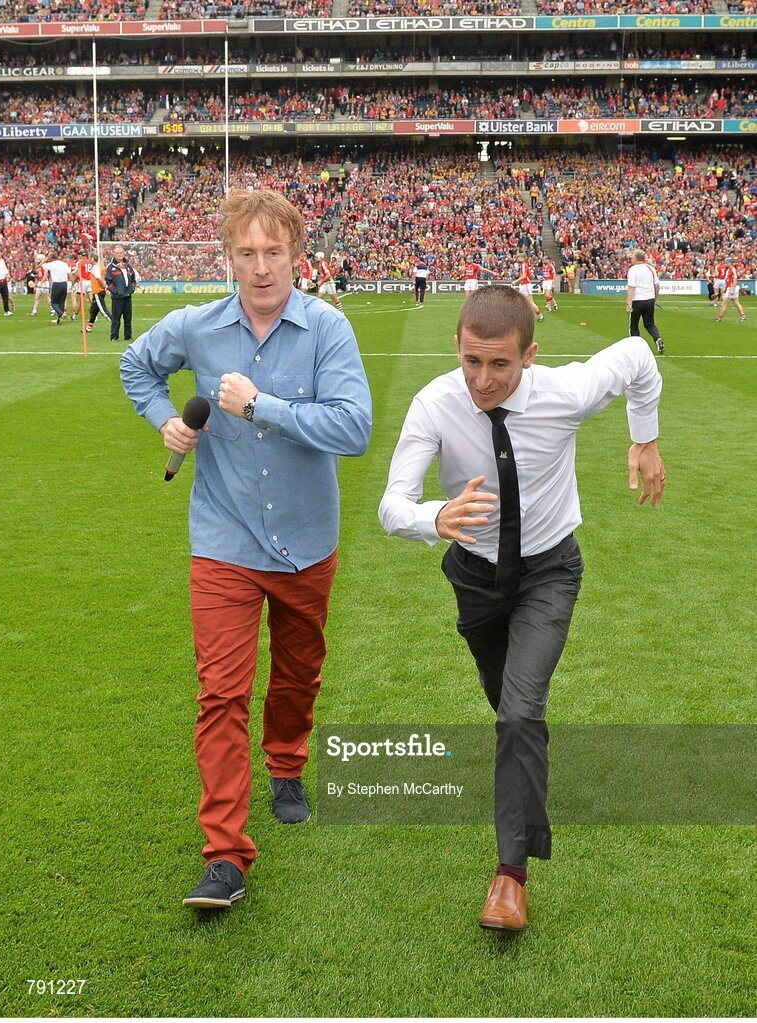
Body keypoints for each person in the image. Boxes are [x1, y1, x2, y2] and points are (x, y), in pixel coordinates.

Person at [378, 286, 665, 932]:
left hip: (548, 573)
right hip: (474, 580)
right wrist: (433, 515)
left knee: (518, 710)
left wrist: (642, 439)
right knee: (506, 706)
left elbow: (635, 357)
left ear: (529, 355)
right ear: (456, 346)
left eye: (499, 365)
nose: (482, 379)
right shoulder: (434, 404)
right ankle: (524, 755)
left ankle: (510, 876)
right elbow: (392, 503)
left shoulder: (564, 390)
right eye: (471, 361)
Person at [120, 189, 372, 910]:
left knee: (297, 675)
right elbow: (137, 366)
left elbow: (354, 428)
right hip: (223, 541)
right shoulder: (196, 327)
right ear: (227, 258)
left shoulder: (327, 328)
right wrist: (167, 419)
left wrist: (262, 405)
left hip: (305, 543)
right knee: (221, 691)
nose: (260, 268)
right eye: (245, 253)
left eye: (273, 252)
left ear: (297, 256)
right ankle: (225, 855)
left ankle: (286, 761)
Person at [626, 250, 664, 355]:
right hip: (649, 299)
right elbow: (657, 285)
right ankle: (658, 339)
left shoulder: (633, 270)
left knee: (634, 325)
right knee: (650, 324)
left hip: (637, 300)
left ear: (636, 258)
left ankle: (636, 349)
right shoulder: (650, 268)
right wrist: (655, 299)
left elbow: (631, 287)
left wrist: (629, 303)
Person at [105, 244, 137, 343]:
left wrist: (132, 288)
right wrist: (115, 291)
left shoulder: (128, 266)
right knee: (116, 318)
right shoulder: (110, 267)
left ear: (124, 254)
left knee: (128, 318)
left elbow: (133, 279)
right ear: (114, 254)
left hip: (127, 296)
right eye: (117, 253)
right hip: (117, 297)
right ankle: (114, 336)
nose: (119, 255)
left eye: (121, 253)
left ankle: (128, 336)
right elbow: (108, 282)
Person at [39, 251, 72, 324]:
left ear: (51, 258)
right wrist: (72, 284)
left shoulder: (51, 264)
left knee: (53, 303)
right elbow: (70, 274)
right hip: (64, 284)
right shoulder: (64, 264)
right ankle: (59, 319)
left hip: (57, 284)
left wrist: (46, 258)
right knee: (62, 302)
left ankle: (60, 313)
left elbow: (40, 265)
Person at [86, 252, 111, 332]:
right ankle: (89, 327)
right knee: (93, 310)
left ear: (92, 259)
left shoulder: (95, 268)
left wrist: (104, 287)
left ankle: (114, 322)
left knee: (103, 310)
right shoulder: (101, 267)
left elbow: (99, 278)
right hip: (98, 291)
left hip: (98, 291)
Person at [512, 255, 544, 322]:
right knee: (521, 301)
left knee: (530, 302)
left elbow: (524, 276)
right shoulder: (523, 265)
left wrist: (516, 281)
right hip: (524, 284)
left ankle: (540, 315)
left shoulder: (523, 265)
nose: (518, 259)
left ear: (523, 258)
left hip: (526, 284)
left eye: (519, 257)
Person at [715, 258, 746, 323]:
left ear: (731, 263)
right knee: (736, 303)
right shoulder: (728, 270)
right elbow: (728, 281)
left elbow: (735, 280)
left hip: (732, 288)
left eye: (727, 262)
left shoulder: (733, 269)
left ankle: (719, 318)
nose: (726, 263)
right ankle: (743, 316)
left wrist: (732, 289)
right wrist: (724, 289)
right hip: (730, 288)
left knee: (724, 303)